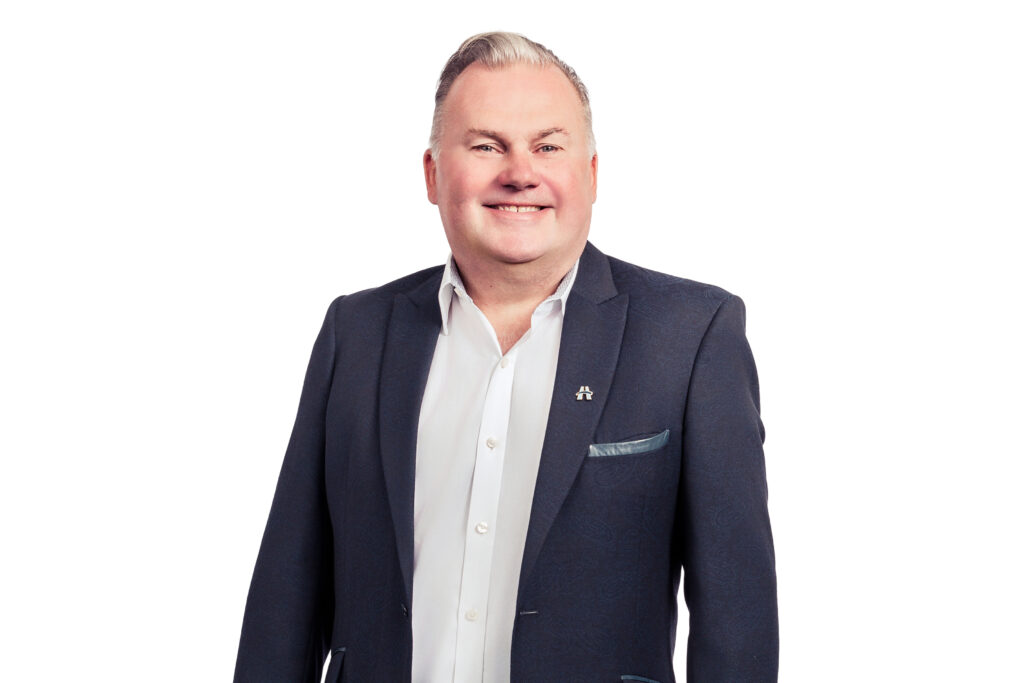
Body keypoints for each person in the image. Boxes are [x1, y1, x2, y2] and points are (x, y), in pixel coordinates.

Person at [233, 32, 778, 683]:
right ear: (433, 174)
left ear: (592, 174)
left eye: (548, 146)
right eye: (486, 145)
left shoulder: (690, 337)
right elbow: (286, 602)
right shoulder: (356, 333)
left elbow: (737, 622)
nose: (520, 172)